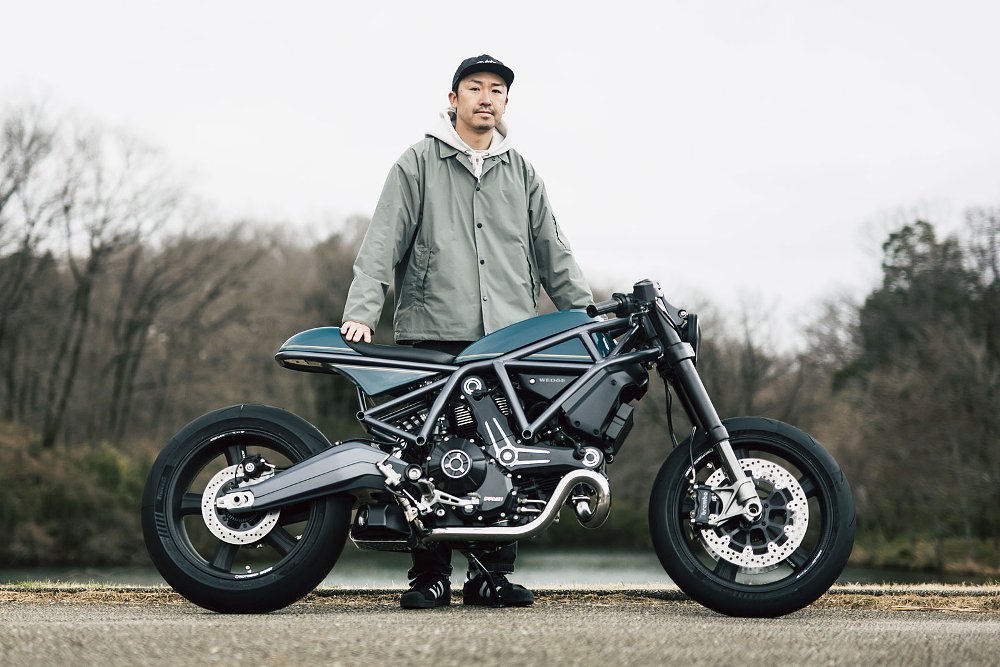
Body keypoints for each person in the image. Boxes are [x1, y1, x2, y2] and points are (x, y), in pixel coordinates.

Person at [341, 54, 593, 609]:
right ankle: (429, 576)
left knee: (502, 455)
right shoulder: (417, 162)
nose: (485, 97)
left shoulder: (521, 170)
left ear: (505, 103)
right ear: (452, 99)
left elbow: (554, 252)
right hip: (433, 330)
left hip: (510, 337)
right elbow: (382, 242)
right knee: (426, 459)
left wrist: (586, 316)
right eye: (474, 88)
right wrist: (362, 311)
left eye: (496, 89)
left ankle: (490, 576)